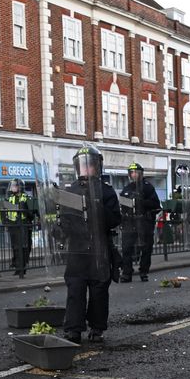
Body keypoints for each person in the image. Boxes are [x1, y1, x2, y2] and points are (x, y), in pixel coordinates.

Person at [57, 145, 121, 342]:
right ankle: (73, 329)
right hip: (77, 249)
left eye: (90, 166)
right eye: (83, 166)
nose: (86, 169)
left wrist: (97, 206)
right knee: (75, 289)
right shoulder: (71, 191)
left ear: (96, 167)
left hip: (99, 247)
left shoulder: (106, 191)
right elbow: (64, 220)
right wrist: (59, 230)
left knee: (98, 290)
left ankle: (97, 327)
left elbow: (115, 219)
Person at [118, 163, 161, 282]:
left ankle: (144, 271)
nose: (134, 175)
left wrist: (141, 202)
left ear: (141, 173)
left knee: (146, 249)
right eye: (132, 172)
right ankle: (127, 272)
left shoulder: (148, 187)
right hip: (129, 223)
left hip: (144, 222)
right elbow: (122, 205)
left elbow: (156, 205)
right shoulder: (127, 188)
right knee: (127, 249)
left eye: (136, 172)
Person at [3, 179, 35, 277]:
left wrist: (24, 209)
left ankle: (22, 268)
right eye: (11, 186)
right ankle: (18, 268)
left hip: (23, 225)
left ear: (20, 187)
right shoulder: (10, 198)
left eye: (14, 186)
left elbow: (32, 213)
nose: (12, 188)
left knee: (24, 247)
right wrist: (6, 222)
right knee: (15, 248)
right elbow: (4, 211)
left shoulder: (26, 197)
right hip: (13, 226)